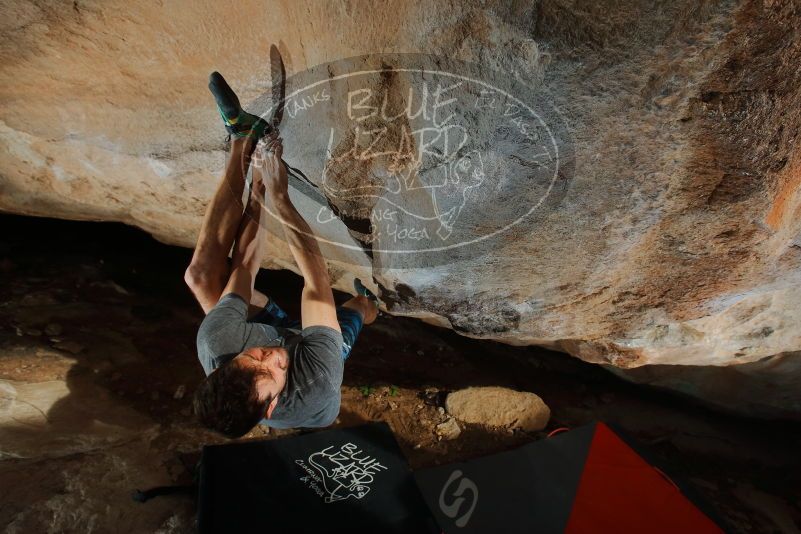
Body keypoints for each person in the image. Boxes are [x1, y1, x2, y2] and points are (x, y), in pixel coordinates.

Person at [185, 73, 378, 438]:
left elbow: (244, 267)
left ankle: (242, 136)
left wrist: (259, 186)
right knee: (354, 308)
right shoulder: (315, 380)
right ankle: (372, 306)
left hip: (276, 331)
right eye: (270, 372)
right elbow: (317, 285)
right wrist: (282, 198)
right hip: (312, 357)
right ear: (271, 406)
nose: (270, 357)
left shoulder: (216, 345)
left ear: (222, 368)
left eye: (253, 357)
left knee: (200, 278)